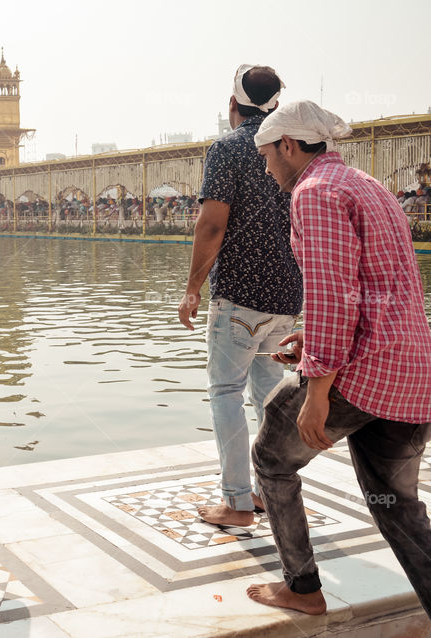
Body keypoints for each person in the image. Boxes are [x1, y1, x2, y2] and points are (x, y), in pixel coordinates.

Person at [248, 100, 431, 616]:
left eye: (267, 156)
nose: (266, 168)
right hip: (414, 369)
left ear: (288, 146)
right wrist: (314, 337)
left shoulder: (315, 192)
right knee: (396, 507)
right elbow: (382, 285)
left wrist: (317, 393)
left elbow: (331, 293)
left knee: (270, 457)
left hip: (363, 371)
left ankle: (302, 587)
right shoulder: (365, 184)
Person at [178, 64, 303, 527]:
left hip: (239, 297)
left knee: (226, 391)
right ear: (274, 104)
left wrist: (192, 288)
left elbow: (212, 224)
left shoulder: (229, 147)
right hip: (288, 296)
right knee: (271, 396)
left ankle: (236, 503)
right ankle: (271, 492)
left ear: (233, 105)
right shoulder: (291, 145)